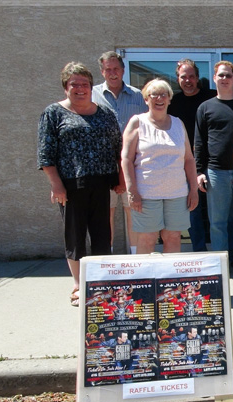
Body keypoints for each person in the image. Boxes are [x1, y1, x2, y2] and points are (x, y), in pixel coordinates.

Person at [38, 61, 122, 307]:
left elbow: (118, 148)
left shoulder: (105, 113)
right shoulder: (53, 113)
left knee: (102, 236)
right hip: (71, 186)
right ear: (66, 87)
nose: (80, 89)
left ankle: (101, 285)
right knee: (74, 236)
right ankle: (78, 285)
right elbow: (45, 155)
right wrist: (56, 184)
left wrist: (120, 179)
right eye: (75, 84)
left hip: (101, 184)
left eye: (85, 84)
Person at [167, 59, 233, 262]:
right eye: (183, 76)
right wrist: (199, 170)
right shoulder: (179, 103)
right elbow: (198, 140)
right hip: (201, 168)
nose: (188, 80)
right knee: (203, 216)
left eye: (191, 76)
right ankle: (208, 260)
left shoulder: (231, 103)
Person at [121, 78, 199, 254]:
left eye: (163, 94)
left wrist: (193, 189)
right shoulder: (137, 122)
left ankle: (169, 280)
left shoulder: (178, 124)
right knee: (147, 238)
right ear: (146, 99)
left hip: (177, 193)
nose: (159, 98)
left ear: (169, 99)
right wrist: (132, 190)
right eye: (153, 94)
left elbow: (188, 159)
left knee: (173, 237)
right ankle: (145, 280)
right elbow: (126, 158)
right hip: (147, 194)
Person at [195, 61, 233, 271]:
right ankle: (218, 270)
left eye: (228, 75)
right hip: (216, 172)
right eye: (221, 75)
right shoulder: (205, 107)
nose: (225, 79)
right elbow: (199, 142)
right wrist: (199, 172)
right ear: (214, 78)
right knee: (217, 223)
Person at [92, 51, 148, 255]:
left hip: (132, 164)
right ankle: (108, 258)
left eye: (116, 69)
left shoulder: (138, 96)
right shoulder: (92, 94)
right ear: (102, 72)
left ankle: (135, 257)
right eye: (108, 69)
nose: (112, 73)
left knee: (133, 209)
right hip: (102, 164)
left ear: (123, 70)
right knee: (106, 212)